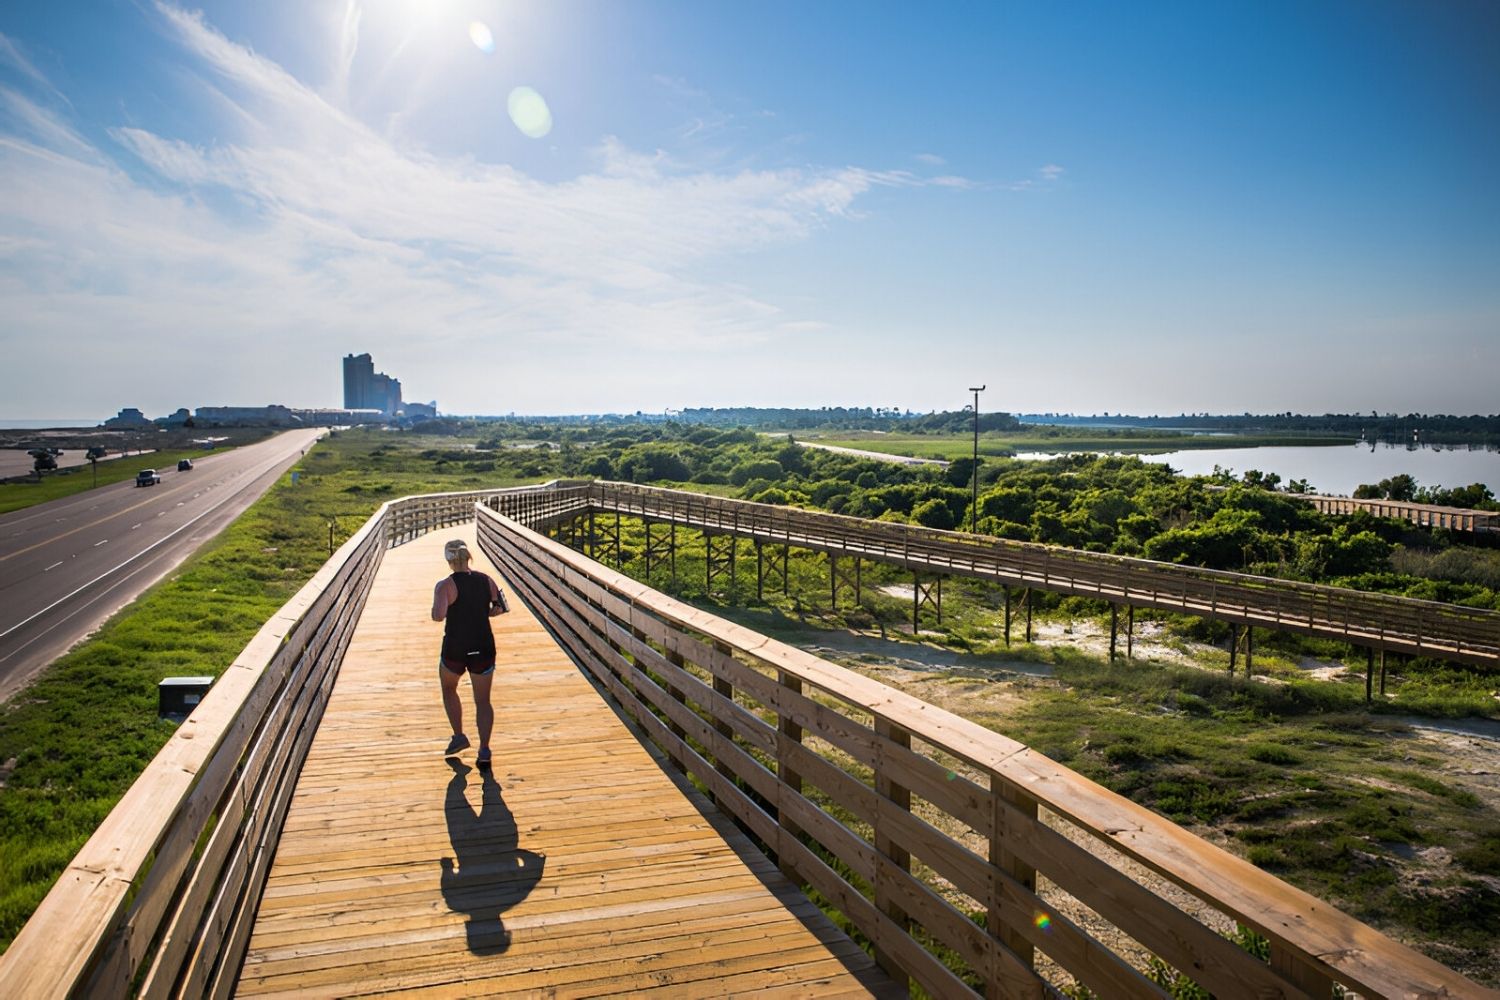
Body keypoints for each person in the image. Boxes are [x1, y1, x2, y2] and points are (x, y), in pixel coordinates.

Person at [432, 539, 508, 766]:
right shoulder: (486, 580)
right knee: (483, 701)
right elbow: (500, 607)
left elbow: (438, 616)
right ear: (468, 557)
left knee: (449, 688)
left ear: (448, 559)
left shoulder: (445, 585)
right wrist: (486, 613)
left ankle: (459, 736)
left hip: (455, 647)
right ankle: (484, 750)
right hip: (482, 645)